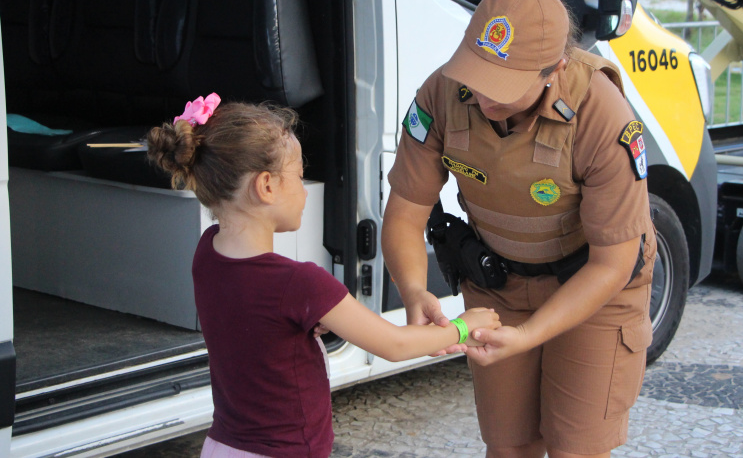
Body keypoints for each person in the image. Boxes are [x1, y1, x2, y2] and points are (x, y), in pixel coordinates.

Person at [381, 0, 657, 458]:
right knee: (509, 445)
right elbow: (404, 215)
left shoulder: (603, 115)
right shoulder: (442, 95)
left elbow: (613, 263)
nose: (485, 98)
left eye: (504, 87)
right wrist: (413, 291)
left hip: (593, 289)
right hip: (498, 282)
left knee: (576, 448)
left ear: (556, 69)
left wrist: (529, 335)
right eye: (477, 76)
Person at [146, 94, 500, 458]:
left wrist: (305, 318)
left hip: (223, 446)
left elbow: (255, 320)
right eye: (299, 177)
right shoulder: (300, 284)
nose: (303, 190)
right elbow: (394, 345)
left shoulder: (207, 252)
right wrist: (463, 325)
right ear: (266, 186)